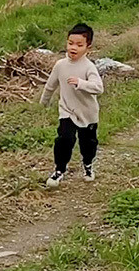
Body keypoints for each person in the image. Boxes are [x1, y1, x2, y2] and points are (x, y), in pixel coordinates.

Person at [40, 23, 104, 187]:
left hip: (87, 113)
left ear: (88, 47)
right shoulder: (60, 65)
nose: (73, 47)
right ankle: (59, 170)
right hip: (67, 110)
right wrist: (43, 103)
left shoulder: (89, 67)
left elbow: (98, 88)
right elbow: (50, 86)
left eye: (79, 45)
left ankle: (88, 165)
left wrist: (81, 83)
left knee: (88, 143)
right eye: (70, 43)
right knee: (64, 139)